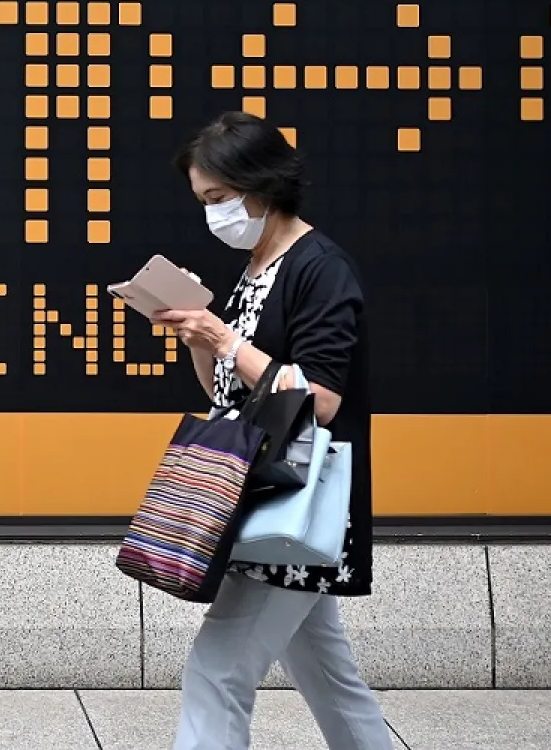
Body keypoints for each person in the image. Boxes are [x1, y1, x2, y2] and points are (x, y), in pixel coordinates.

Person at [152, 110, 394, 750]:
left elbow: (318, 398)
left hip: (294, 501)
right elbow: (225, 393)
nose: (212, 214)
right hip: (270, 505)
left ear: (259, 186)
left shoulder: (319, 267)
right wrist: (200, 336)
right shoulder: (257, 268)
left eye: (219, 198)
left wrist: (225, 338)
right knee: (329, 677)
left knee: (216, 670)